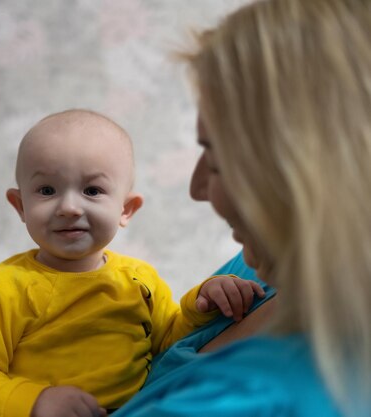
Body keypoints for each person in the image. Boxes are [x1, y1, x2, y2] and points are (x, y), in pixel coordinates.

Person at [113, 0, 371, 415]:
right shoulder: (260, 269)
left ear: (301, 170)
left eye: (215, 159)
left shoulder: (246, 402)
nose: (197, 189)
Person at [0, 109, 265, 417]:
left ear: (126, 210)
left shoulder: (138, 279)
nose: (68, 207)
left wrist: (204, 301)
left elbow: (168, 340)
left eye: (92, 190)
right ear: (20, 205)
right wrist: (35, 402)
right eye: (47, 190)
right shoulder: (6, 285)